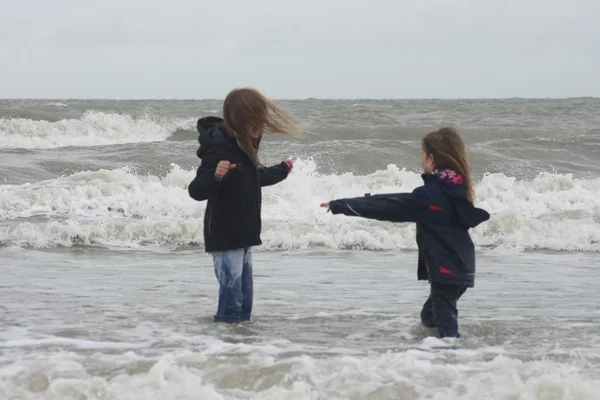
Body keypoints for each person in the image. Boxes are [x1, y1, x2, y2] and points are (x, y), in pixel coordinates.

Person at [320, 127, 490, 338]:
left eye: (422, 155)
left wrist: (343, 206)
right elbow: (400, 199)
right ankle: (443, 354)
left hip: (446, 269)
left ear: (431, 158)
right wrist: (350, 202)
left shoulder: (431, 195)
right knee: (429, 317)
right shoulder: (453, 189)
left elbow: (391, 208)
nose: (420, 161)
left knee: (446, 326)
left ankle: (454, 359)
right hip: (460, 265)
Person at [188, 88, 298, 323]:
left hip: (245, 234)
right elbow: (196, 190)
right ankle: (223, 350)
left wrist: (282, 169)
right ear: (240, 121)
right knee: (231, 305)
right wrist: (215, 176)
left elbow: (254, 179)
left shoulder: (244, 147)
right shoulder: (219, 148)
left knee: (244, 305)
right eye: (256, 123)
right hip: (225, 235)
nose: (260, 129)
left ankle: (240, 352)